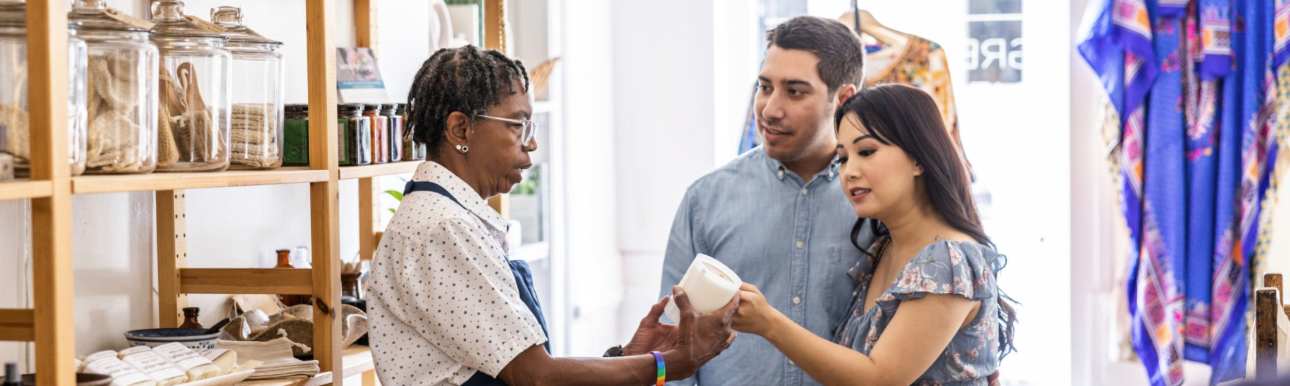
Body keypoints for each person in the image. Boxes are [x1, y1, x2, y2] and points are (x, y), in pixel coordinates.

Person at [366, 46, 740, 386]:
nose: (531, 142)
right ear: (460, 128)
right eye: (518, 124)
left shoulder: (450, 219)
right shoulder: (443, 228)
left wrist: (629, 357)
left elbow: (529, 370)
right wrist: (664, 365)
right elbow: (536, 377)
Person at [731, 84, 1017, 385]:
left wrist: (769, 323)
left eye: (866, 151)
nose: (849, 171)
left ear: (918, 158)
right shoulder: (881, 249)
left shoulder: (949, 261)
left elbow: (879, 379)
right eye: (843, 158)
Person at [658, 15, 869, 386]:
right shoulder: (705, 200)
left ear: (844, 99)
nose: (769, 109)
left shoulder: (878, 205)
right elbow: (671, 342)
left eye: (795, 91)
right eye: (764, 86)